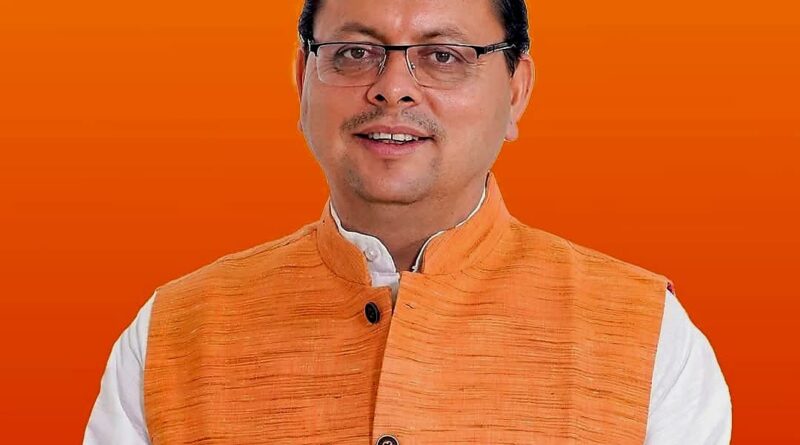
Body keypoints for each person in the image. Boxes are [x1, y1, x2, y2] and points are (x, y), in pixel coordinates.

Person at [84, 0, 731, 443]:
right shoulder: (176, 333)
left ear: (516, 90)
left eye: (443, 55)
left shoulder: (647, 337)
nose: (392, 86)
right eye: (354, 52)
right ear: (302, 79)